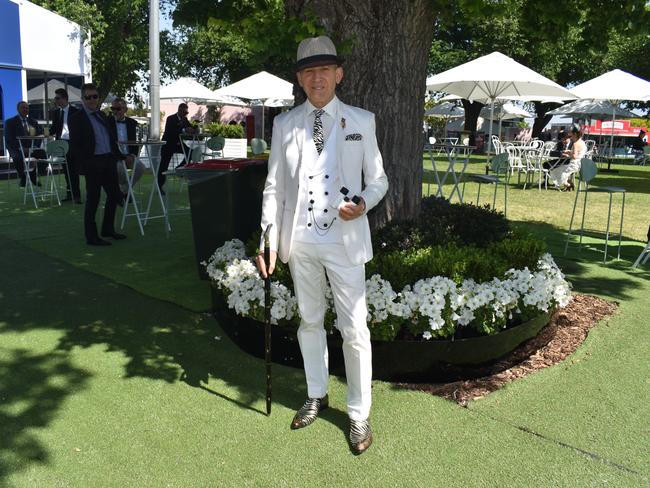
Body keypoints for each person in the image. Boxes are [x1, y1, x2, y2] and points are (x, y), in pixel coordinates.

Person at [256, 36, 388, 455]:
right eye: (309, 71)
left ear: (339, 75)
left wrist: (364, 203)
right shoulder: (284, 124)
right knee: (309, 320)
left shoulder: (362, 121)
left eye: (325, 70)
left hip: (345, 241)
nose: (318, 78)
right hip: (301, 240)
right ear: (299, 78)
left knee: (354, 329)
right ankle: (317, 392)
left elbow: (380, 180)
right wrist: (268, 239)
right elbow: (274, 186)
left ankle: (358, 412)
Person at [68, 83, 127, 246]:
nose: (92, 100)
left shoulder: (102, 116)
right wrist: (85, 165)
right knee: (93, 199)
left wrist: (121, 156)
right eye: (88, 97)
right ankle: (91, 236)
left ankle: (108, 229)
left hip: (108, 160)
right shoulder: (76, 119)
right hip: (92, 163)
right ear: (83, 99)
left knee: (113, 195)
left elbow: (110, 140)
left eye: (95, 96)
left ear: (98, 98)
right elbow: (75, 146)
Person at [108, 98, 145, 201]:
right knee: (119, 169)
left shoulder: (132, 123)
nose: (115, 111)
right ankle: (126, 192)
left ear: (125, 110)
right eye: (113, 108)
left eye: (118, 108)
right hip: (115, 156)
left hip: (129, 155)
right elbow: (109, 144)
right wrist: (122, 157)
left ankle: (123, 190)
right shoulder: (107, 122)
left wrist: (132, 156)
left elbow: (136, 143)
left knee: (141, 168)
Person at [50, 88, 82, 203]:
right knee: (66, 170)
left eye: (57, 98)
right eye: (55, 98)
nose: (56, 100)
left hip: (72, 143)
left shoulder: (76, 111)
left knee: (73, 170)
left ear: (65, 98)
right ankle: (70, 194)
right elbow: (53, 128)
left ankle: (77, 196)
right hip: (61, 144)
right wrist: (44, 133)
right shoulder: (56, 112)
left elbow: (80, 129)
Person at [4, 101, 42, 187]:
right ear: (18, 109)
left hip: (31, 148)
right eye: (23, 108)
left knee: (44, 154)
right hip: (17, 148)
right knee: (18, 157)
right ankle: (23, 177)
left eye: (27, 108)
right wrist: (20, 148)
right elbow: (9, 139)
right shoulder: (10, 122)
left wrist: (34, 147)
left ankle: (33, 175)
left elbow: (39, 136)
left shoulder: (33, 122)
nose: (25, 109)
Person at [159, 103, 193, 194]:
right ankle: (160, 186)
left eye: (186, 113)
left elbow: (190, 127)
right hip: (168, 144)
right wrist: (184, 130)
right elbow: (170, 131)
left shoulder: (185, 119)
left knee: (190, 152)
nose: (185, 114)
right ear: (179, 110)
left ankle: (179, 169)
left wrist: (194, 129)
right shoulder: (170, 118)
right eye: (184, 112)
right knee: (164, 165)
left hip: (178, 144)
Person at [549, 124, 586, 191]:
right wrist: (569, 151)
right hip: (580, 164)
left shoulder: (575, 144)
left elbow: (574, 156)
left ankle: (569, 185)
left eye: (570, 133)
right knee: (558, 170)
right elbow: (578, 153)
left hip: (574, 164)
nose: (569, 135)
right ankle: (569, 184)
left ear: (574, 134)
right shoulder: (582, 142)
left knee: (555, 171)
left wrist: (568, 153)